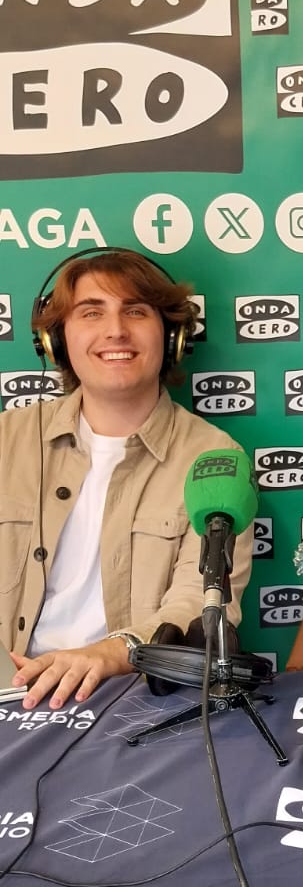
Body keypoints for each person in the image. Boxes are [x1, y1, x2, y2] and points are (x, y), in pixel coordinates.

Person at [3, 247, 253, 709]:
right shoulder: (6, 441)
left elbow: (197, 604)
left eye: (135, 311)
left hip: (136, 699)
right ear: (57, 340)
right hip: (12, 695)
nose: (115, 330)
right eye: (91, 312)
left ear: (173, 336)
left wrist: (109, 653)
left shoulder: (213, 458)